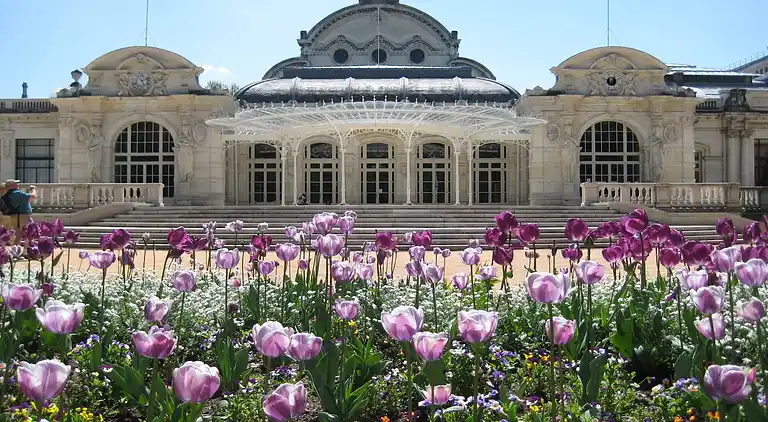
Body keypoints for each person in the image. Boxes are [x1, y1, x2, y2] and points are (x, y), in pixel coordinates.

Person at [1, 179, 36, 244]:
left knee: (22, 234)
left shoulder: (9, 194)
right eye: (15, 183)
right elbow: (33, 196)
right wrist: (33, 189)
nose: (17, 185)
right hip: (22, 216)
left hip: (16, 216)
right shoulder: (17, 193)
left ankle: (22, 250)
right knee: (25, 234)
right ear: (11, 185)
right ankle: (16, 251)